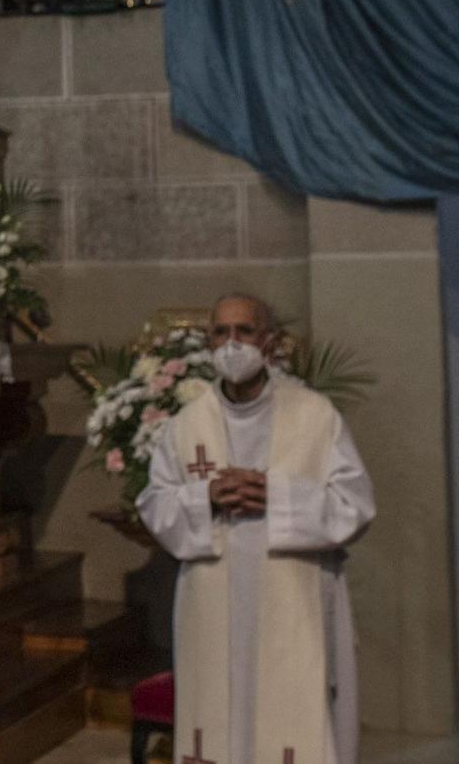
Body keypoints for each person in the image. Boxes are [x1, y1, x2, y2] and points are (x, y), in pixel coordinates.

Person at [137, 294, 375, 764]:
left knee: (287, 709)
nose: (232, 344)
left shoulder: (314, 415)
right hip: (212, 595)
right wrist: (205, 496)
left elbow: (354, 505)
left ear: (269, 342)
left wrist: (277, 495)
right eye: (220, 333)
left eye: (244, 331)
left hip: (292, 592)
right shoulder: (186, 425)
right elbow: (155, 504)